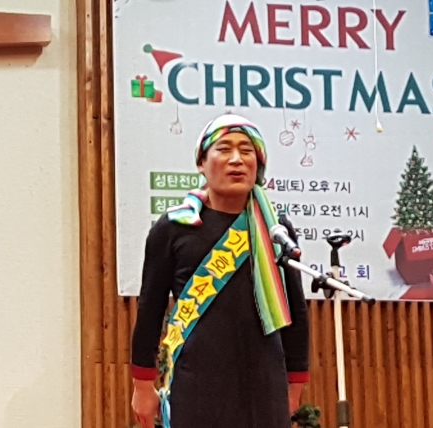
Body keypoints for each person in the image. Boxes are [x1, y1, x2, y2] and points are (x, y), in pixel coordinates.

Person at [130, 114, 310, 428]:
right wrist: (143, 385)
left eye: (247, 151)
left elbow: (297, 312)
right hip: (196, 385)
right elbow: (150, 310)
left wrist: (294, 386)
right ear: (202, 163)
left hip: (264, 385)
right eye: (224, 149)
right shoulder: (174, 227)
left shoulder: (275, 228)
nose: (237, 159)